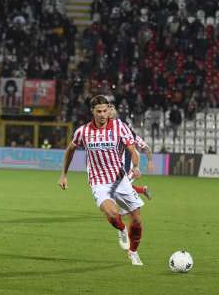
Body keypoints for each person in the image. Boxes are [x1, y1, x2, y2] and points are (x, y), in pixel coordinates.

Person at [58, 95, 146, 266]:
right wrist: (64, 174)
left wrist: (135, 166)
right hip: (99, 181)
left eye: (105, 110)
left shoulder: (120, 127)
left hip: (120, 180)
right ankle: (121, 229)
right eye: (99, 111)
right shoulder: (83, 132)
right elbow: (70, 150)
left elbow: (132, 149)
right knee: (112, 213)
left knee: (137, 220)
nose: (102, 114)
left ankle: (133, 252)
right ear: (92, 112)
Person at [109, 105, 153, 200]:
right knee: (118, 188)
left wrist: (149, 162)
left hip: (129, 165)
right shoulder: (108, 132)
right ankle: (143, 190)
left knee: (118, 189)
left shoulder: (127, 133)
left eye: (112, 109)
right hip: (117, 166)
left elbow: (146, 147)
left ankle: (123, 211)